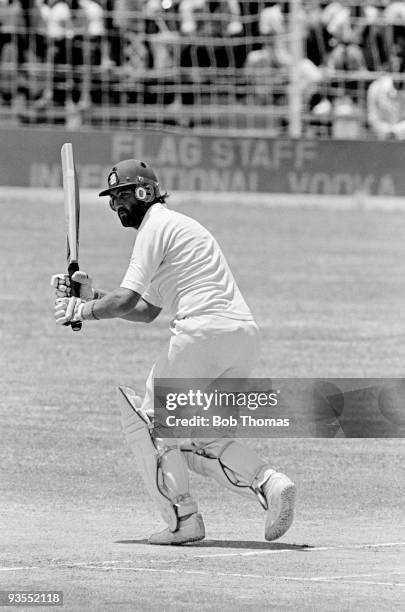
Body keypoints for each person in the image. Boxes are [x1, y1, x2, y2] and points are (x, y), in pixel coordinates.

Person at [51, 159, 296, 545]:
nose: (117, 205)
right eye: (112, 198)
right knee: (196, 434)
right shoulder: (179, 227)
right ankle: (270, 483)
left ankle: (183, 520)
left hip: (201, 333)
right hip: (242, 337)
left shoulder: (154, 227)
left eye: (123, 195)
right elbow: (146, 310)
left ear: (145, 192)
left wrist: (81, 311)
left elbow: (127, 299)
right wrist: (92, 297)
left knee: (149, 422)